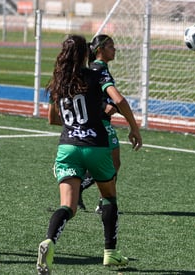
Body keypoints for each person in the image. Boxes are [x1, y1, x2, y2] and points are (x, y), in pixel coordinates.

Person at [36, 34, 142, 275]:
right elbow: (120, 100)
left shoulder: (58, 82)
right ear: (87, 54)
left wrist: (75, 119)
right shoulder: (95, 76)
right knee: (109, 197)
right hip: (95, 145)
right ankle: (110, 254)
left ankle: (49, 241)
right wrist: (134, 128)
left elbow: (53, 119)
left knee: (68, 206)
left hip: (67, 147)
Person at [78, 34, 126, 213]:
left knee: (111, 164)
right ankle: (97, 198)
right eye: (111, 46)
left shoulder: (97, 67)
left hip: (99, 120)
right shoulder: (98, 68)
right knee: (112, 164)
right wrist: (104, 105)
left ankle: (99, 200)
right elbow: (86, 93)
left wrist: (108, 104)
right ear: (100, 50)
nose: (114, 50)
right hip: (100, 122)